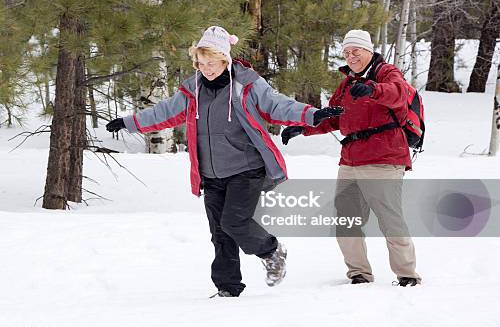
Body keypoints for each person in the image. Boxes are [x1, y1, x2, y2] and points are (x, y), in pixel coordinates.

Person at [106, 26, 343, 297]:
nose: (207, 69)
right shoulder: (192, 90)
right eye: (201, 63)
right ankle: (228, 288)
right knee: (220, 233)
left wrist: (312, 114)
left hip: (246, 169)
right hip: (211, 174)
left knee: (235, 222)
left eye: (212, 63)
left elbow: (277, 105)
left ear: (225, 60)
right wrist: (129, 122)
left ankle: (271, 250)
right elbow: (164, 113)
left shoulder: (246, 84)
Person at [282, 29, 421, 287]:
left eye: (356, 50)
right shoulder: (347, 83)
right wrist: (303, 127)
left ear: (369, 50)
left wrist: (372, 90)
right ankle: (359, 273)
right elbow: (333, 117)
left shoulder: (386, 73)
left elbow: (398, 94)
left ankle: (407, 274)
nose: (351, 56)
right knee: (346, 220)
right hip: (350, 160)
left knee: (390, 219)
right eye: (346, 52)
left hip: (384, 157)